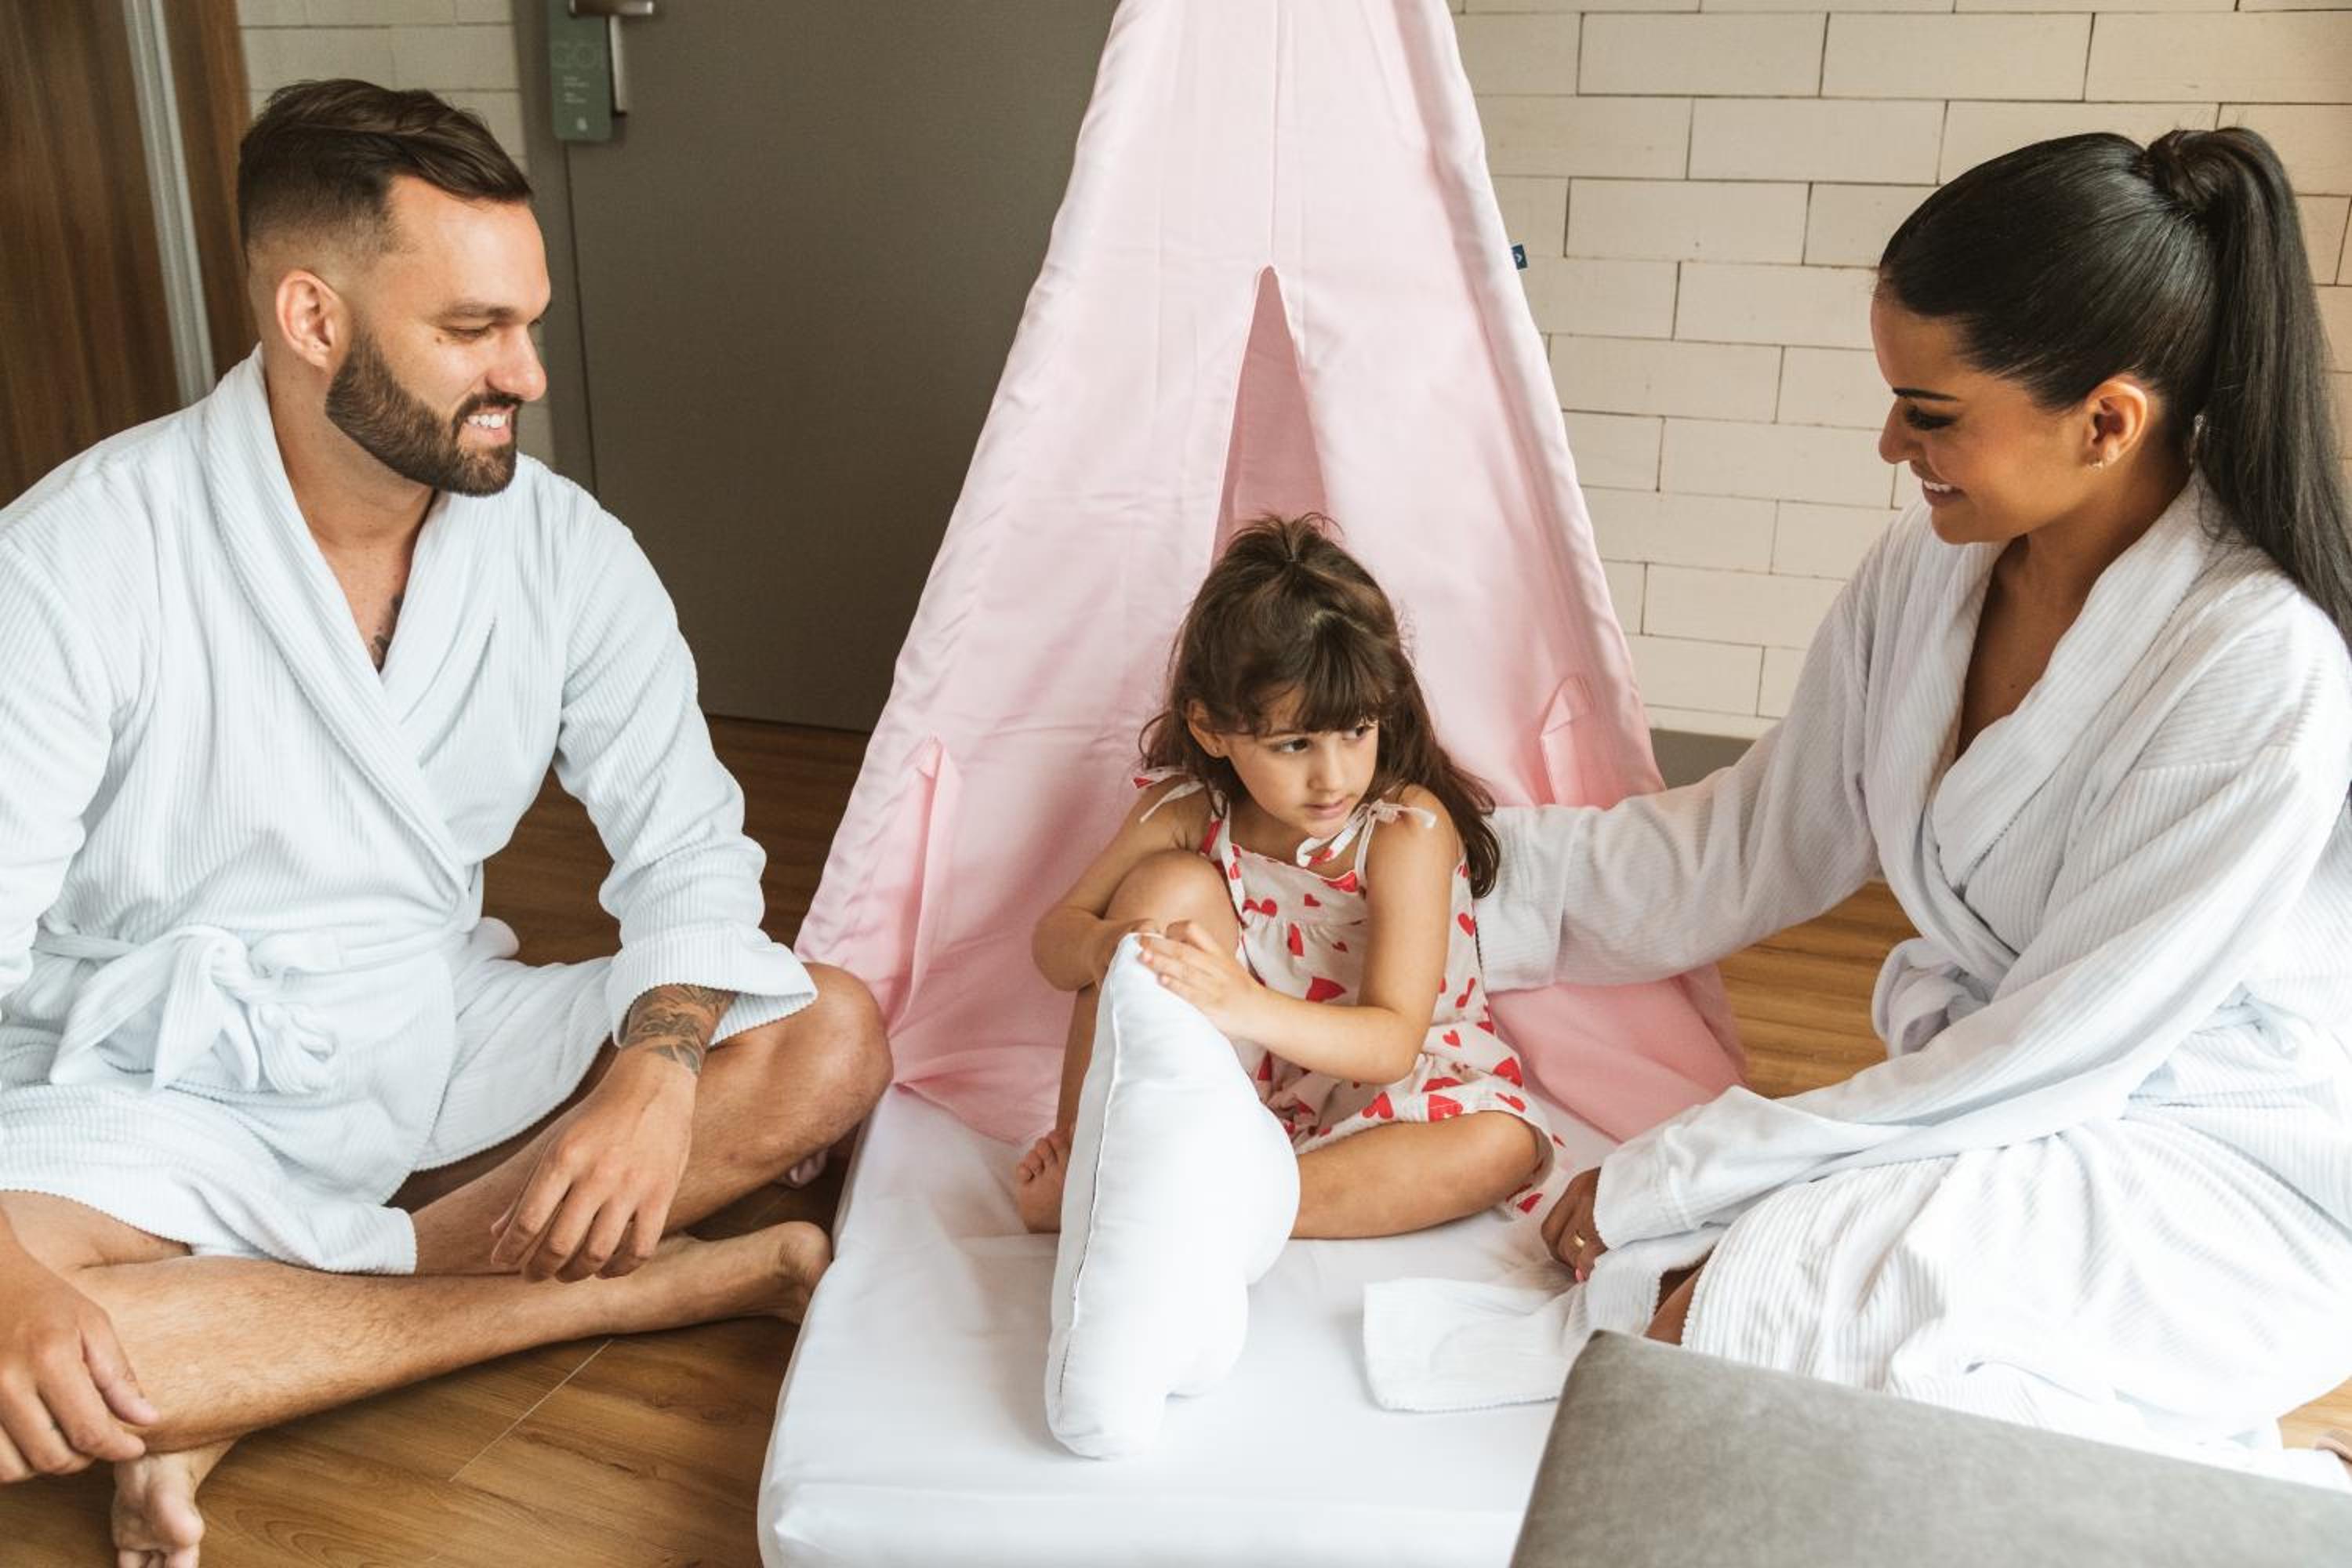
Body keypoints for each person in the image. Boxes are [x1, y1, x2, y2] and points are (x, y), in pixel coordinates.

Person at [0, 80, 890, 1564]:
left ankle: (248, 1350)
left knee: (828, 1038)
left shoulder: (562, 550)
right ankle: (613, 1291)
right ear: (313, 317)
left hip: (424, 1025)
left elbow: (685, 851)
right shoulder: (71, 560)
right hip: (152, 1075)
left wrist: (655, 1071)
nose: (525, 374)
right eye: (474, 330)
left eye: (528, 324)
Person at [1466, 127, 2352, 1481]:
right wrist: (1438, 880)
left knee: (1757, 1320)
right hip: (2017, 1087)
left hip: (2203, 1153)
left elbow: (2060, 1049)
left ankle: (2268, 1502)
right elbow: (1751, 844)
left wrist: (1689, 1166)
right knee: (1691, 1301)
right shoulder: (1926, 573)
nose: (1891, 444)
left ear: (2107, 421)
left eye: (1931, 414)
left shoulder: (2256, 666)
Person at [1013, 517, 1556, 1238]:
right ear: (1210, 729)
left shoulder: (1405, 829)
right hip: (1240, 1088)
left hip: (1397, 1090)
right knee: (1166, 887)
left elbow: (1392, 1044)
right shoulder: (1187, 810)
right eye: (1294, 744)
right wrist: (1105, 947)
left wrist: (1244, 1004)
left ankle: (1195, 1202)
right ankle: (1094, 1153)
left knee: (1503, 1144)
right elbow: (1054, 941)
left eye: (1357, 731)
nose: (1333, 777)